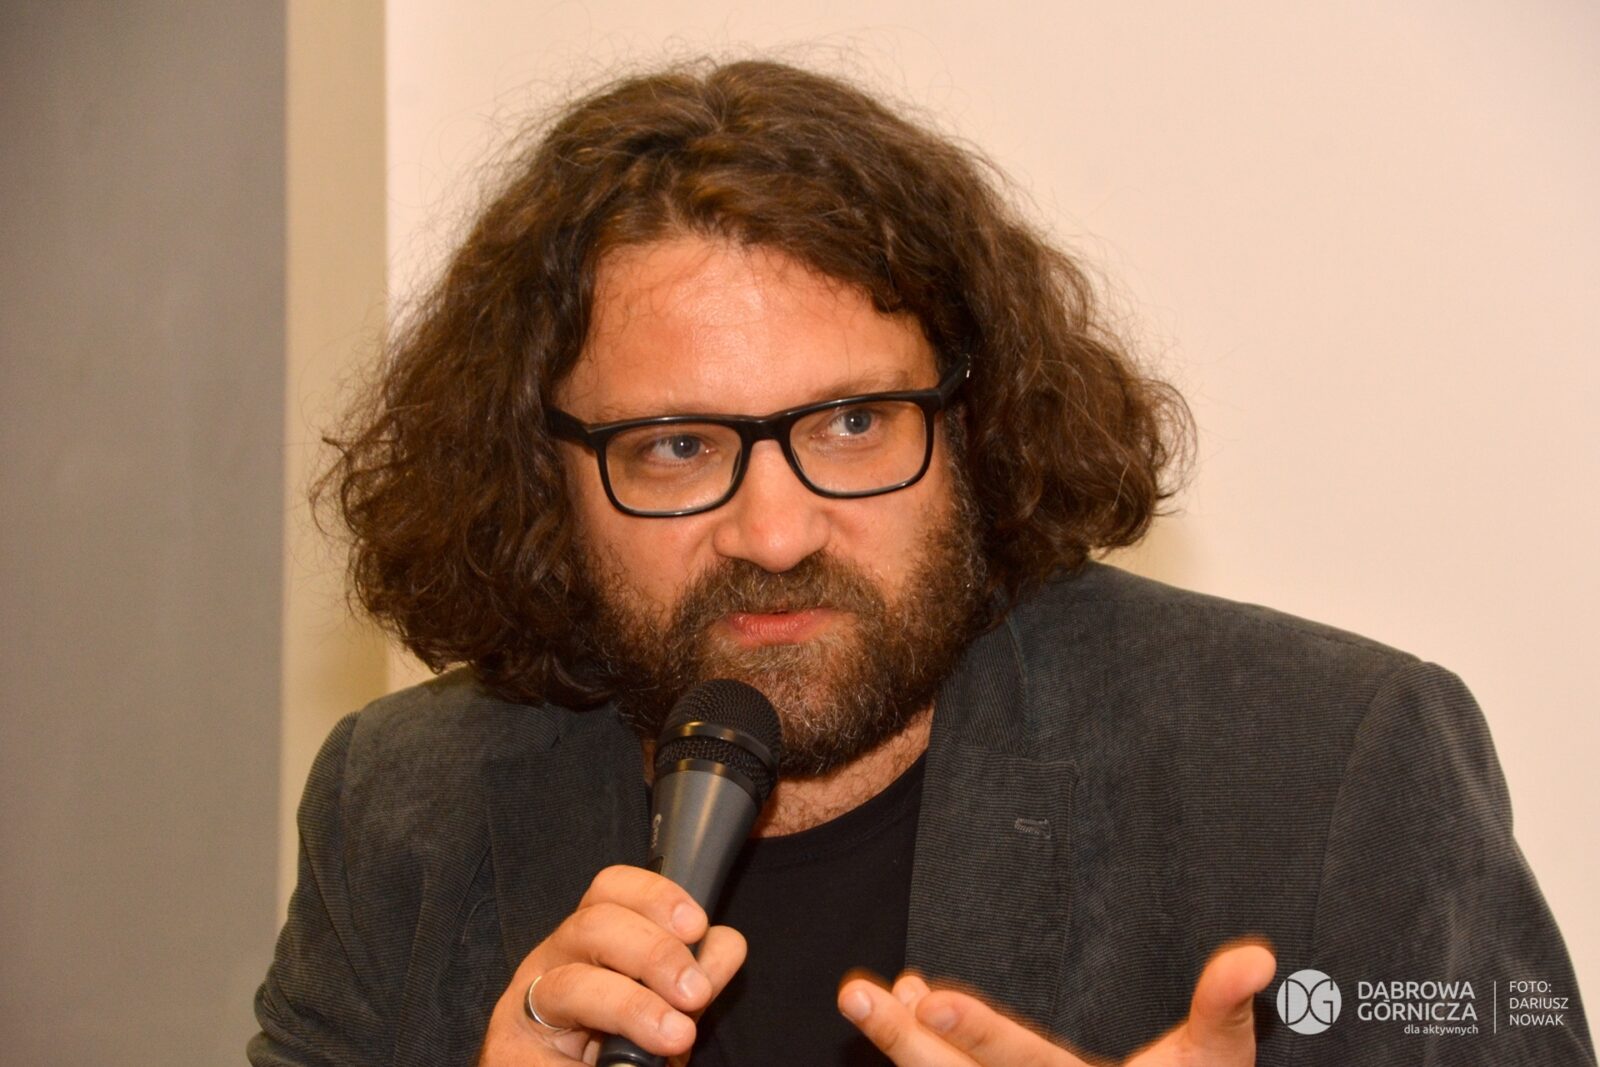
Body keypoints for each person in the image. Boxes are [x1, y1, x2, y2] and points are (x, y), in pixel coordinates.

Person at [251, 59, 1593, 1067]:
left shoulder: (1329, 764)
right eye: (674, 447)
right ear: (540, 477)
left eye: (852, 425)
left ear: (974, 425)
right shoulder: (406, 809)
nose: (776, 534)